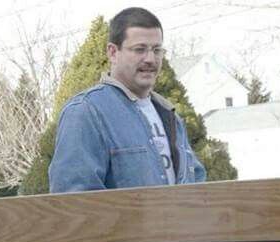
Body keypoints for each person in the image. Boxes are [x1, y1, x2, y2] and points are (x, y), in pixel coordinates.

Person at [49, 6, 206, 193]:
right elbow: (74, 203)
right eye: (140, 49)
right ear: (113, 52)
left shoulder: (170, 116)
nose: (150, 59)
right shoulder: (86, 112)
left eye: (157, 50)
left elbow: (198, 185)